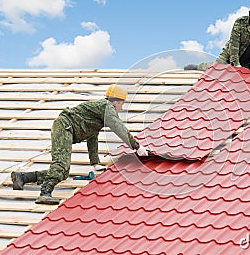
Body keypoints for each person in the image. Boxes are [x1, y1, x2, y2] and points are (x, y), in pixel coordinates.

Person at [11, 85, 149, 205]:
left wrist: (95, 163)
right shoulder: (107, 107)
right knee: (61, 164)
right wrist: (137, 146)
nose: (121, 108)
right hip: (65, 126)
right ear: (117, 102)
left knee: (63, 173)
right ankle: (45, 193)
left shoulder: (98, 115)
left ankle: (22, 177)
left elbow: (92, 137)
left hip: (65, 128)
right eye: (122, 104)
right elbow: (118, 127)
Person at [184, 1, 250, 71]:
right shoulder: (240, 23)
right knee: (214, 70)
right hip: (229, 56)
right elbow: (234, 44)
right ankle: (197, 67)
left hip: (247, 62)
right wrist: (236, 64)